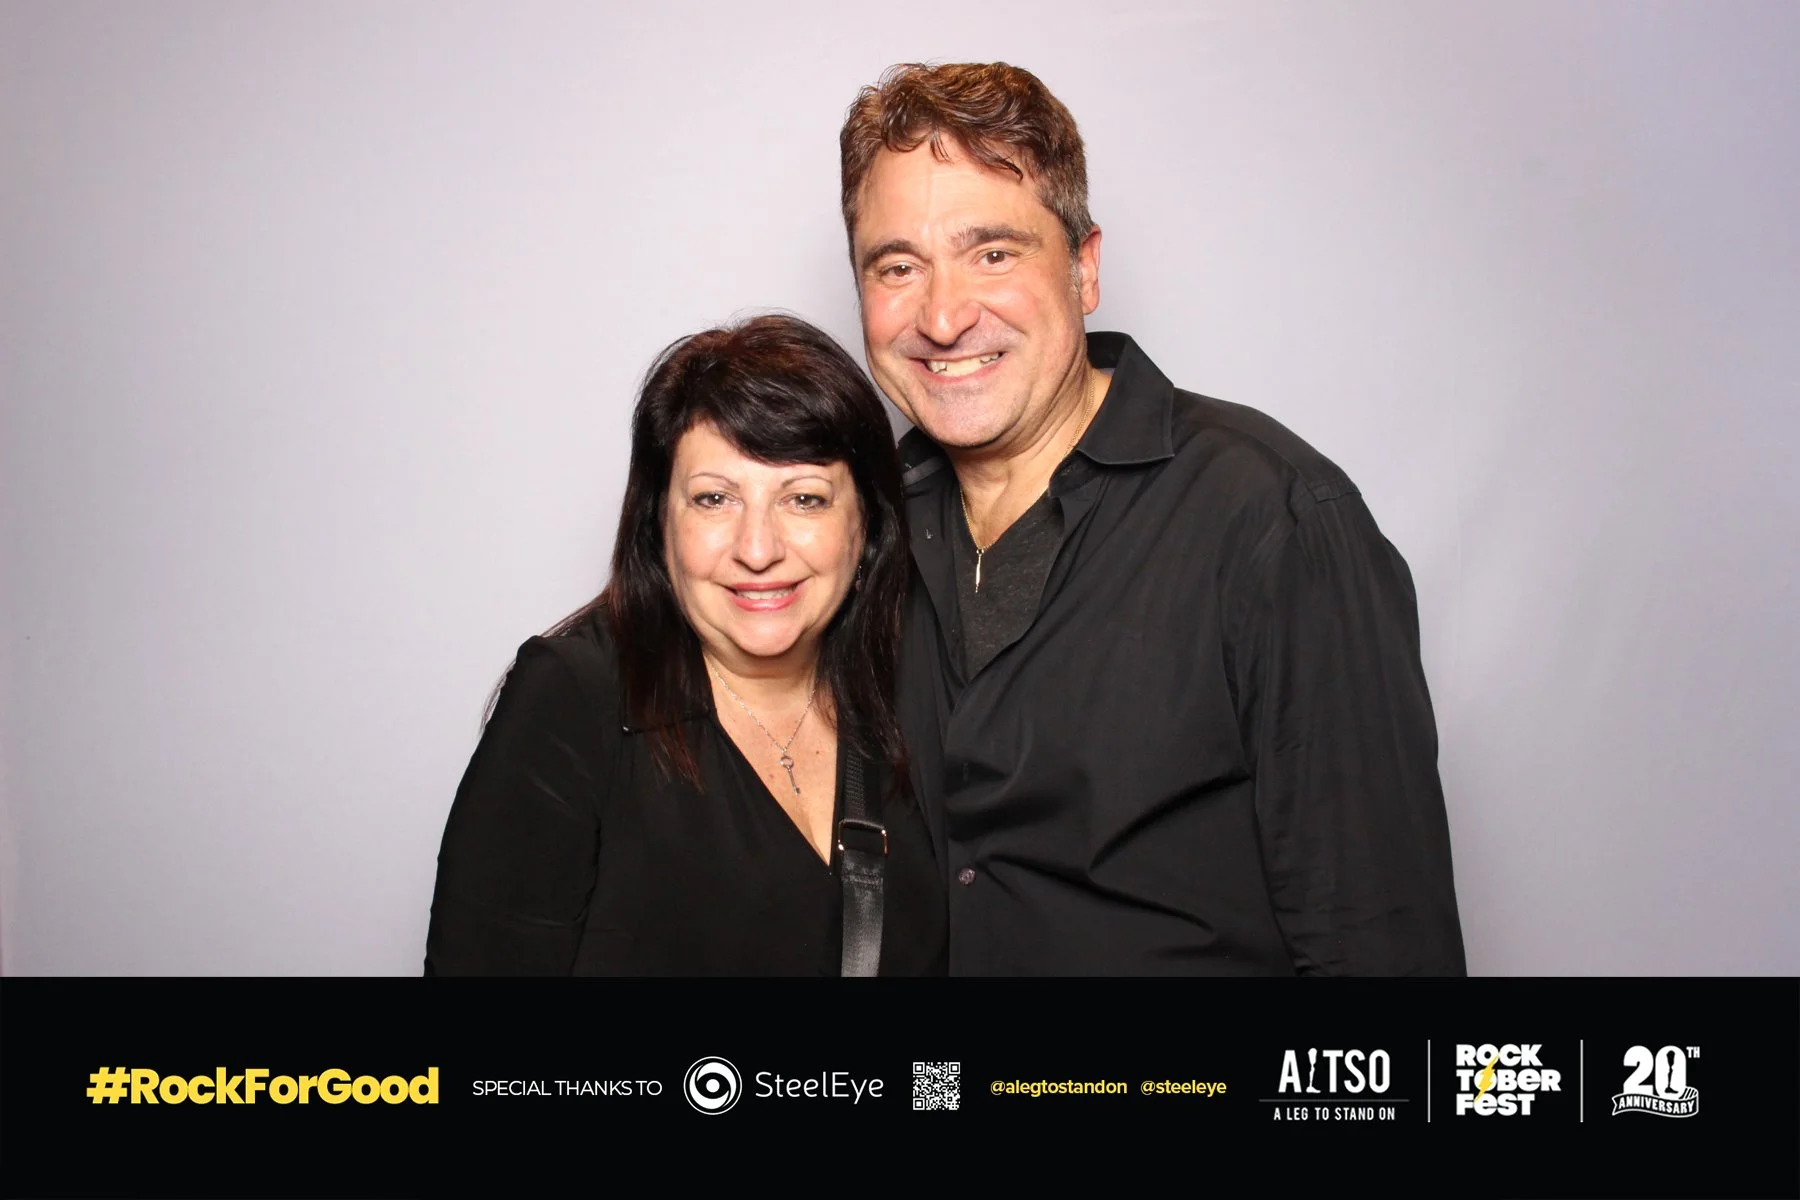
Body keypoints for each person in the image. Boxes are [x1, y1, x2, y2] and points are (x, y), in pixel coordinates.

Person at [839, 62, 1466, 975]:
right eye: (898, 267)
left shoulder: (1273, 520)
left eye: (994, 254)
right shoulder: (860, 531)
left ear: (1085, 267)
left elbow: (1381, 942)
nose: (942, 316)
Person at [424, 314, 947, 975]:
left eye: (805, 499)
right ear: (658, 523)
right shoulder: (573, 699)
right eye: (714, 499)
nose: (758, 549)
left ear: (867, 526)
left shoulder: (913, 688)